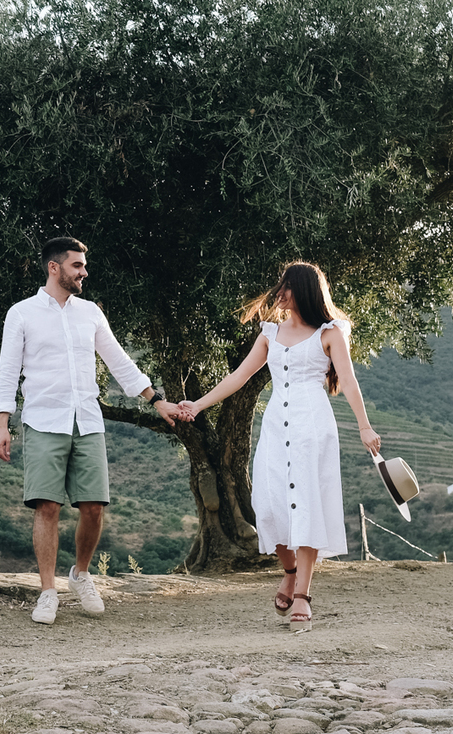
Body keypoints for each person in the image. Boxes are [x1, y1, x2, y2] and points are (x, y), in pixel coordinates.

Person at [175, 261, 380, 629]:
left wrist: (364, 427)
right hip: (275, 428)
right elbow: (240, 376)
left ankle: (303, 594)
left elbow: (347, 381)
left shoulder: (331, 333)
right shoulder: (270, 333)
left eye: (285, 286)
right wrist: (198, 404)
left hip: (312, 426)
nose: (278, 293)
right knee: (267, 507)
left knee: (307, 506)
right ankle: (289, 571)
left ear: (301, 290)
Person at [0, 236, 180, 625]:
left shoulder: (90, 312)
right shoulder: (22, 313)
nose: (84, 272)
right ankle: (47, 591)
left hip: (87, 420)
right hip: (44, 420)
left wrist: (156, 399)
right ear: (54, 267)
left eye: (83, 265)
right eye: (77, 265)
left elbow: (119, 361)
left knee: (94, 507)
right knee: (47, 506)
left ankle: (80, 574)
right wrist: (3, 424)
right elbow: (8, 371)